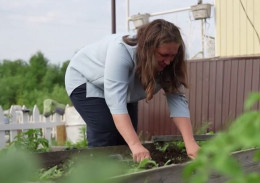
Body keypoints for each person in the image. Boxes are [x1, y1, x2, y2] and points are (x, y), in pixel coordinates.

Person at [65, 19, 200, 162]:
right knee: (106, 129)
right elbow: (116, 103)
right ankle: (98, 173)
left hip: (124, 88)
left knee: (126, 137)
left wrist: (190, 143)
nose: (168, 61)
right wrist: (136, 145)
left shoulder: (172, 58)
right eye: (164, 55)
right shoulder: (122, 50)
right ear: (148, 50)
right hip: (86, 79)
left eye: (172, 56)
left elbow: (177, 100)